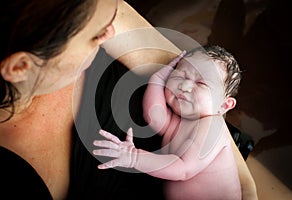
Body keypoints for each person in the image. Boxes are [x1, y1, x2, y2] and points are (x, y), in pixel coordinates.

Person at [0, 0, 256, 199]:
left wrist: (245, 184)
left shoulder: (85, 9)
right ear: (21, 66)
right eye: (95, 35)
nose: (110, 32)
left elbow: (203, 75)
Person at [93, 45, 249, 199]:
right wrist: (158, 79)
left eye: (201, 84)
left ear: (224, 105)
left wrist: (134, 157)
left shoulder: (212, 126)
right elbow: (154, 118)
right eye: (180, 75)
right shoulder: (180, 120)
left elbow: (183, 168)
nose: (185, 86)